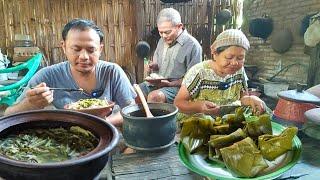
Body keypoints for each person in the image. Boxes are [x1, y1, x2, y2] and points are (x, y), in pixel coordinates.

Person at [4, 18, 136, 126]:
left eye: (91, 50)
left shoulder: (112, 72)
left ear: (100, 49)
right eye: (76, 49)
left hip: (106, 134)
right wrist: (30, 103)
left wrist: (103, 123)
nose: (84, 56)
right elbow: (9, 115)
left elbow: (131, 111)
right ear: (64, 47)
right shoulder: (47, 76)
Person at [174, 29, 266, 120]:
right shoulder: (199, 72)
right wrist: (199, 106)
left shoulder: (239, 71)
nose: (235, 63)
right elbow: (178, 103)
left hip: (226, 121)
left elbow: (243, 97)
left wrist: (250, 99)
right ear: (215, 54)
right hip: (198, 123)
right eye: (229, 57)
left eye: (240, 58)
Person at [139, 8, 202, 103]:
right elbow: (158, 66)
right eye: (161, 32)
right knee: (135, 91)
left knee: (155, 97)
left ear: (179, 26)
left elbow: (193, 80)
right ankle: (142, 117)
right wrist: (154, 66)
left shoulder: (192, 46)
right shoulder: (161, 41)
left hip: (179, 88)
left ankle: (153, 117)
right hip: (159, 85)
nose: (163, 36)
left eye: (167, 32)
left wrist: (170, 84)